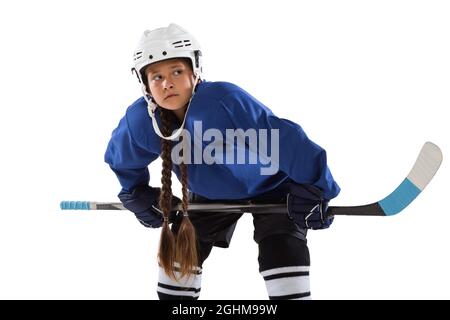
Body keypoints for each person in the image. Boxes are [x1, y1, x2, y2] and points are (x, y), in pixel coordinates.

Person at [104, 23, 340, 300]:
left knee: (282, 252)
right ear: (144, 84)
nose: (167, 83)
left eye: (177, 72)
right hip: (209, 193)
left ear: (195, 71)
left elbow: (286, 140)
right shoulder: (141, 120)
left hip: (275, 187)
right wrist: (137, 192)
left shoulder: (224, 101)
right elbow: (123, 160)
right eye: (156, 77)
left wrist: (316, 188)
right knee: (178, 259)